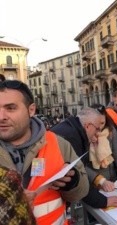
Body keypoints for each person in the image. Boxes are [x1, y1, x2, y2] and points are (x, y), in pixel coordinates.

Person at [0, 80, 89, 224]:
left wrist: (72, 183)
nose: (1, 116)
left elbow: (82, 191)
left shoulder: (58, 143)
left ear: (31, 110)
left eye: (10, 108)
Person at [50, 107, 117, 209]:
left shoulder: (70, 130)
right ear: (88, 126)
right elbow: (81, 178)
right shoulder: (72, 137)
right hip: (50, 201)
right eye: (97, 129)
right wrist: (103, 201)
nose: (98, 133)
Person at [89, 104, 117, 192]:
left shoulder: (111, 131)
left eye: (102, 123)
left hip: (112, 179)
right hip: (93, 183)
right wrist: (101, 181)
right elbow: (83, 165)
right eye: (97, 123)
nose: (99, 127)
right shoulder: (86, 135)